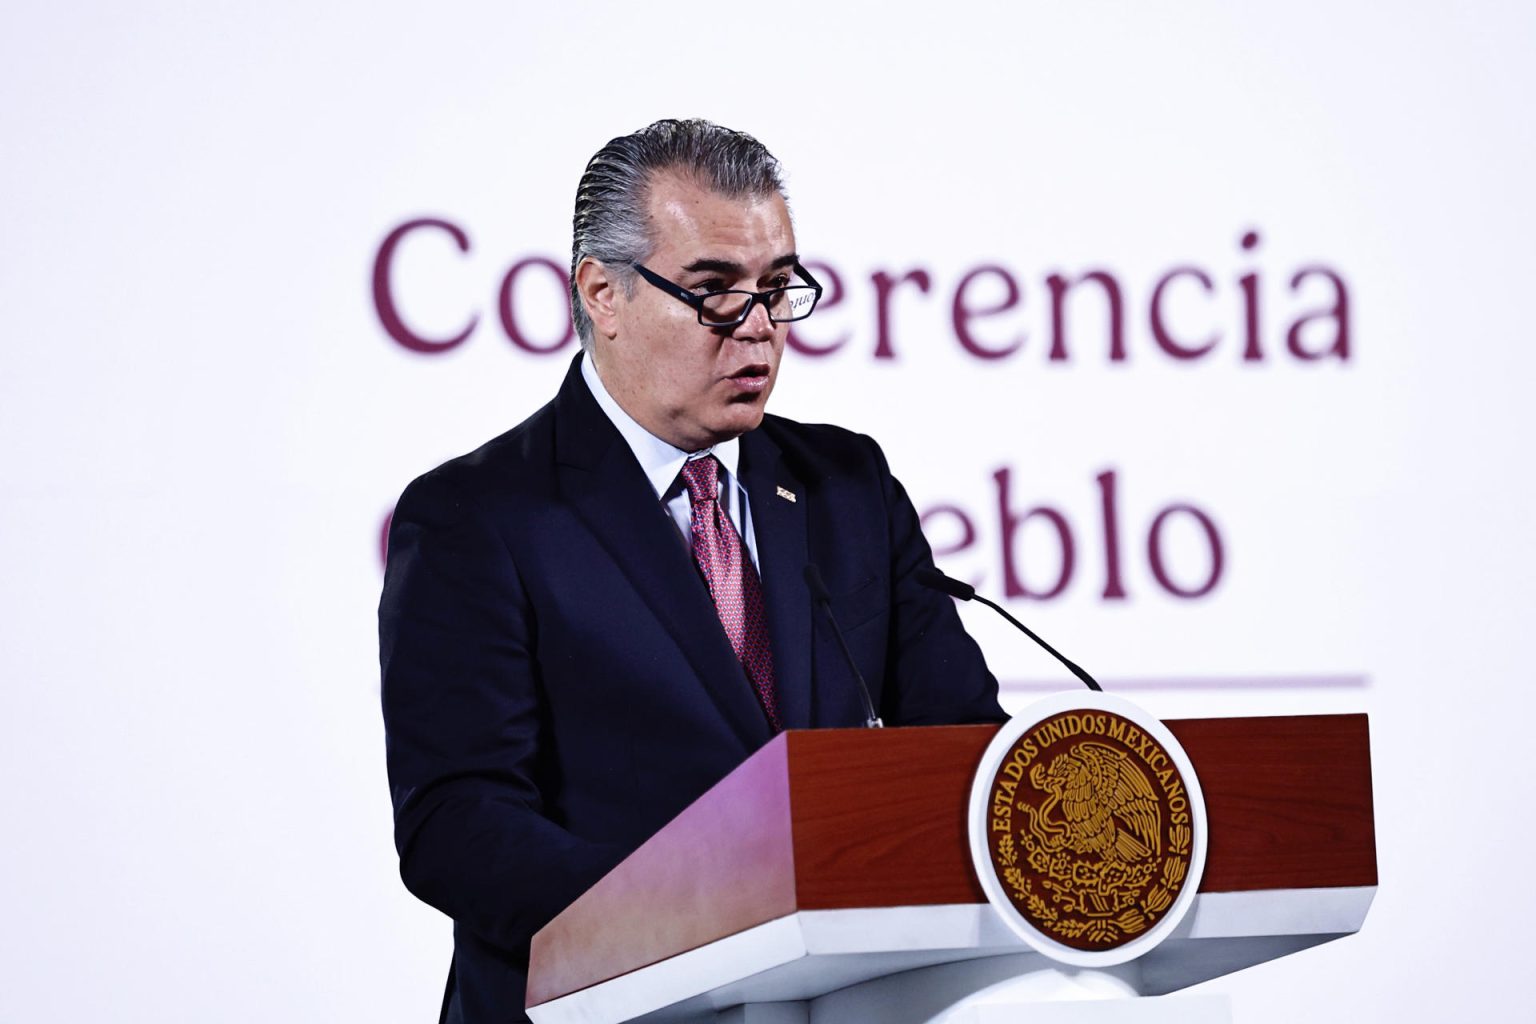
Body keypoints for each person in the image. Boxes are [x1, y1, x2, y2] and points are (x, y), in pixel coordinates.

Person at [379, 119, 1004, 1024]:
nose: (757, 330)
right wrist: (716, 918)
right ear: (605, 293)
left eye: (778, 288)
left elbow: (964, 754)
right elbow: (459, 827)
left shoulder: (845, 486)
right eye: (714, 293)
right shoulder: (478, 515)